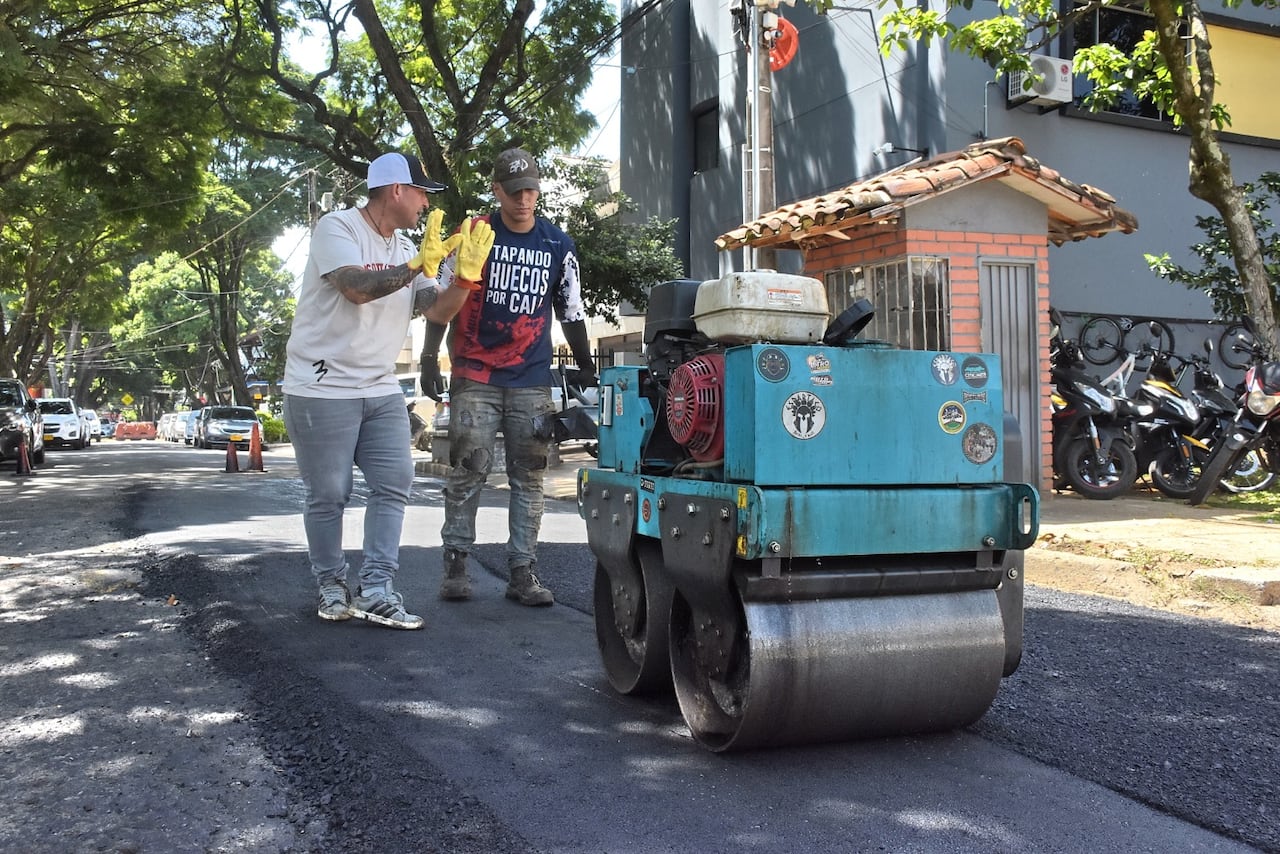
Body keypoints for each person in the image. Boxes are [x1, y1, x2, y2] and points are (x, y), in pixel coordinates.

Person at [283, 151, 494, 630]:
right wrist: (419, 263)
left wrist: (463, 278)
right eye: (421, 192)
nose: (425, 203)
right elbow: (356, 288)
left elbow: (435, 310)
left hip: (378, 388)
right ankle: (332, 583)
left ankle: (377, 588)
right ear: (396, 189)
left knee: (394, 481)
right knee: (330, 494)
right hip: (322, 385)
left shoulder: (404, 248)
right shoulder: (337, 229)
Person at [419, 147, 596, 607]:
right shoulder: (470, 235)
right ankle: (456, 562)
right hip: (474, 373)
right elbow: (441, 300)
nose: (523, 200)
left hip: (531, 380)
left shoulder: (558, 244)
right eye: (514, 191)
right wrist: (427, 356)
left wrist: (586, 365)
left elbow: (571, 310)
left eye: (531, 190)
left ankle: (523, 570)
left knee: (529, 477)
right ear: (496, 190)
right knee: (468, 469)